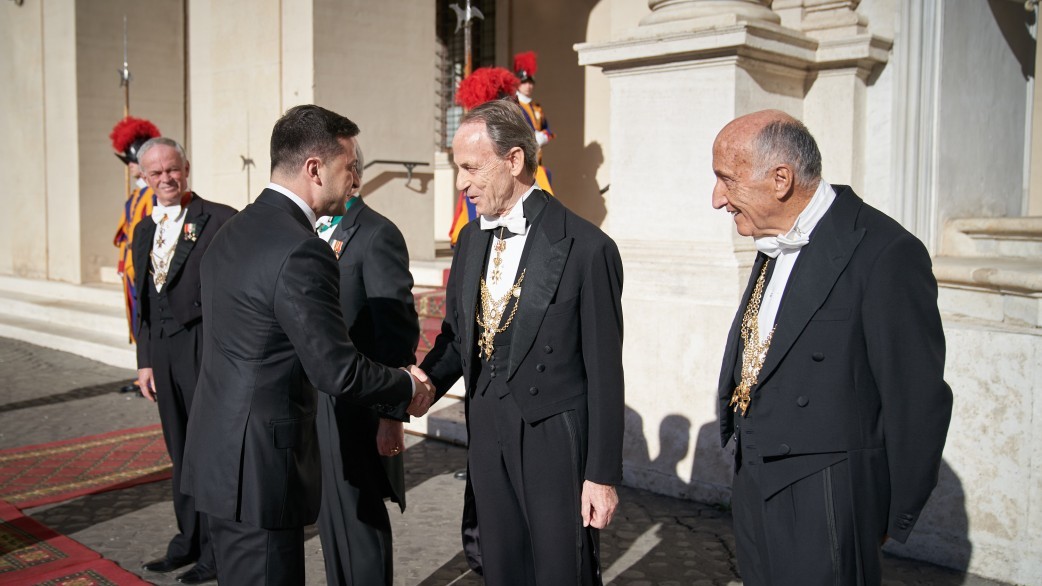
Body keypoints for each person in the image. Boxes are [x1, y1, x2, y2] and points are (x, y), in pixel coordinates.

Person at [180, 104, 434, 586]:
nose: (354, 179)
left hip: (219, 453)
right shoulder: (300, 248)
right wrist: (405, 386)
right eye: (348, 166)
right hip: (260, 464)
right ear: (315, 169)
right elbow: (335, 370)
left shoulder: (232, 230)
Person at [711, 110, 953, 585]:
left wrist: (886, 513)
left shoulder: (886, 252)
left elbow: (916, 396)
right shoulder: (772, 237)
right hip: (754, 476)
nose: (717, 198)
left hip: (830, 493)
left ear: (781, 179)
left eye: (727, 180)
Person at [418, 99, 624, 585]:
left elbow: (605, 372)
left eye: (471, 168)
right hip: (486, 432)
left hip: (552, 439)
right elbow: (458, 336)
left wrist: (601, 475)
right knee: (502, 565)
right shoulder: (470, 240)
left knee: (559, 570)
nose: (461, 183)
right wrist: (420, 383)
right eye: (457, 168)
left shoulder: (587, 247)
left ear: (513, 160)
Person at [314, 143, 419, 586]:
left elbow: (397, 333)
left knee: (360, 520)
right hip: (314, 399)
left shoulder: (376, 234)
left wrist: (391, 417)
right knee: (330, 518)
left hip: (359, 403)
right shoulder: (306, 227)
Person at [133, 137, 236, 585]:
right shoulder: (143, 228)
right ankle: (187, 541)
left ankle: (216, 552)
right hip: (162, 350)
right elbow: (144, 299)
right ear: (144, 178)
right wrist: (145, 360)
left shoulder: (220, 219)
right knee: (178, 450)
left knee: (206, 451)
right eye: (156, 173)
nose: (166, 178)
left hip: (202, 346)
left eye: (172, 169)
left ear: (186, 168)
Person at [111, 116, 161, 344]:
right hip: (131, 265)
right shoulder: (136, 196)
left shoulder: (153, 195)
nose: (129, 166)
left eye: (132, 161)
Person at [513, 51, 554, 195]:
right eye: (524, 82)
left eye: (530, 82)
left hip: (537, 158)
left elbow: (548, 130)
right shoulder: (514, 105)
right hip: (521, 160)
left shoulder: (537, 107)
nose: (528, 86)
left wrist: (543, 137)